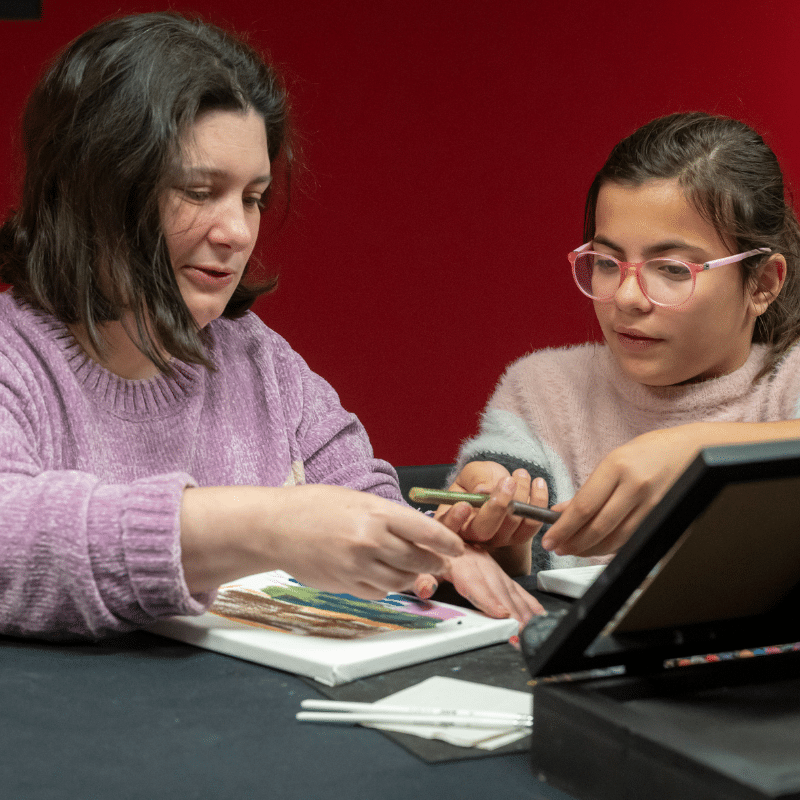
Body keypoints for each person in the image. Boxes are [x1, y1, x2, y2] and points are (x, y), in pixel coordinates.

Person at [0, 12, 540, 640]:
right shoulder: (15, 360)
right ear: (92, 189)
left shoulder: (260, 361)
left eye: (252, 197)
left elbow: (364, 510)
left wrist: (451, 552)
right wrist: (269, 525)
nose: (236, 233)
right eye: (199, 192)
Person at [439, 112, 800, 575]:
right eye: (608, 262)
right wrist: (500, 546)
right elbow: (497, 566)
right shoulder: (546, 390)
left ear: (763, 284)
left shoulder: (786, 382)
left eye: (672, 270)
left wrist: (695, 451)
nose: (626, 298)